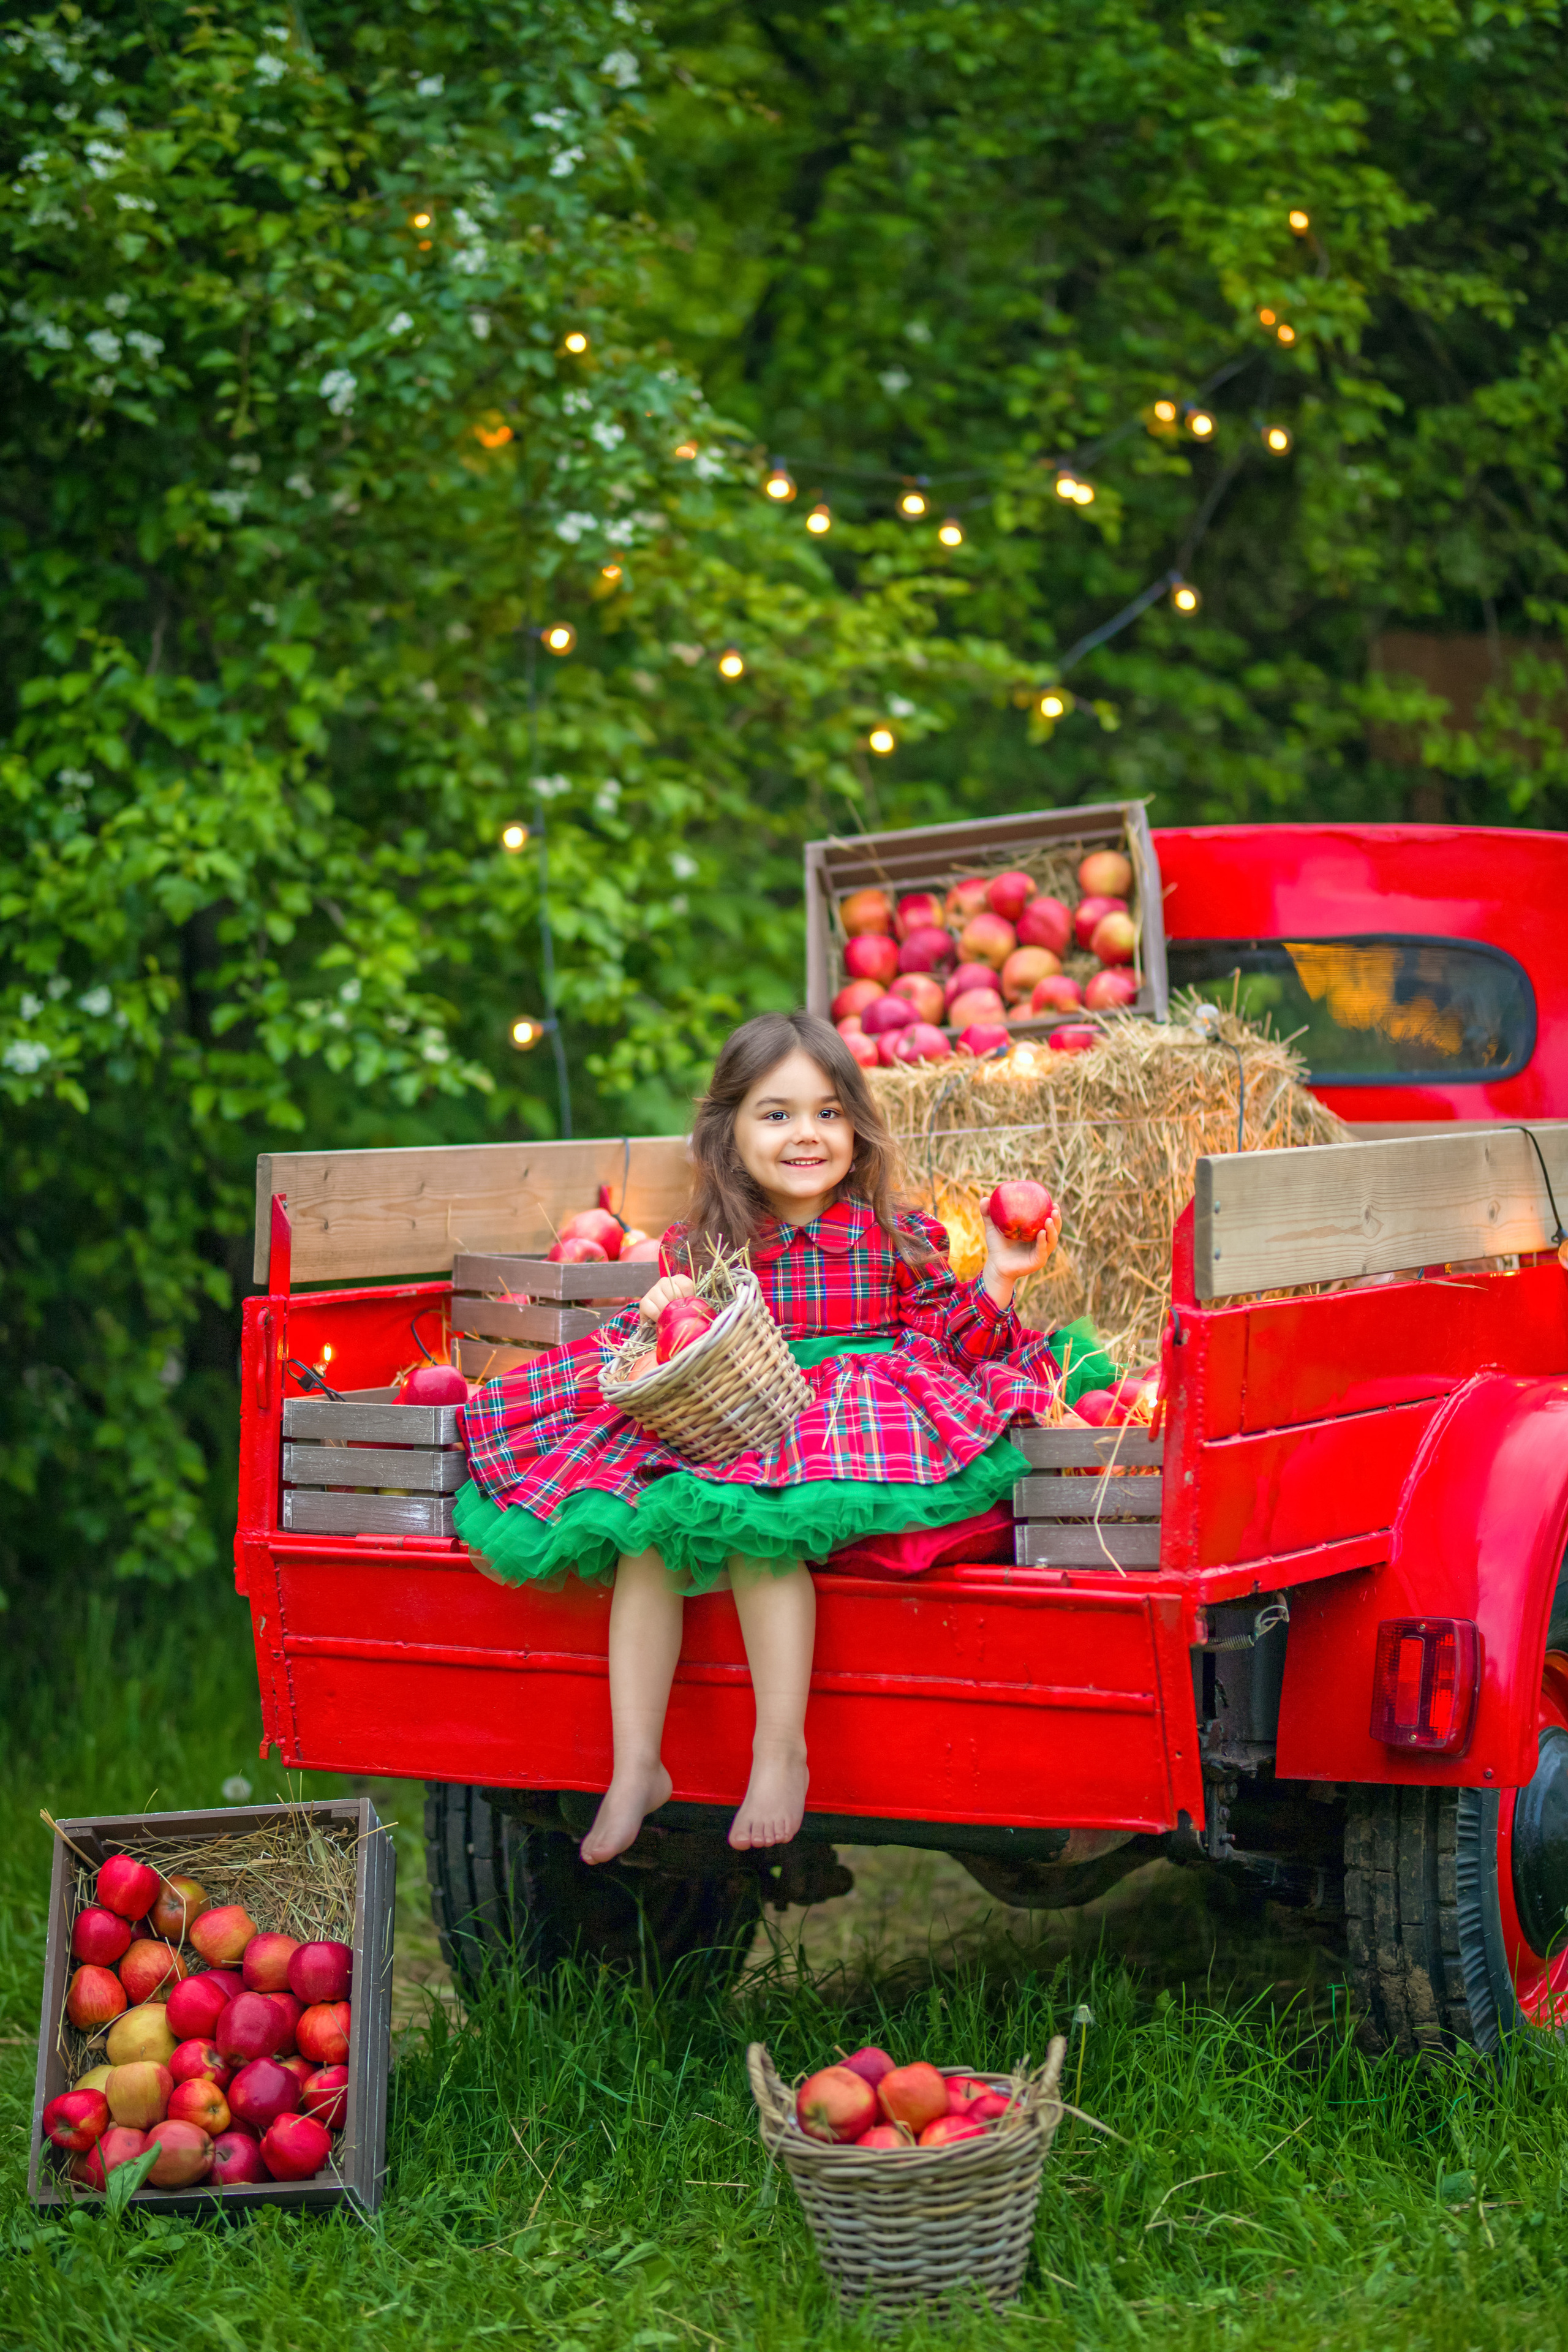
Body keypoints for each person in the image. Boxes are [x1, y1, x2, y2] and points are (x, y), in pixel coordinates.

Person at [456, 1010, 1065, 1866]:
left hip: (838, 1418)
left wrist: (1000, 1273)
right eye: (775, 1115)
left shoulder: (897, 1236)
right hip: (727, 1411)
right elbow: (667, 1338)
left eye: (826, 1112)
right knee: (648, 1537)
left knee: (760, 1531)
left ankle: (781, 1752)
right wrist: (666, 1307)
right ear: (728, 1133)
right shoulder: (704, 1245)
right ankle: (637, 1767)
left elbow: (955, 1340)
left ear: (855, 1124)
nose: (805, 1135)